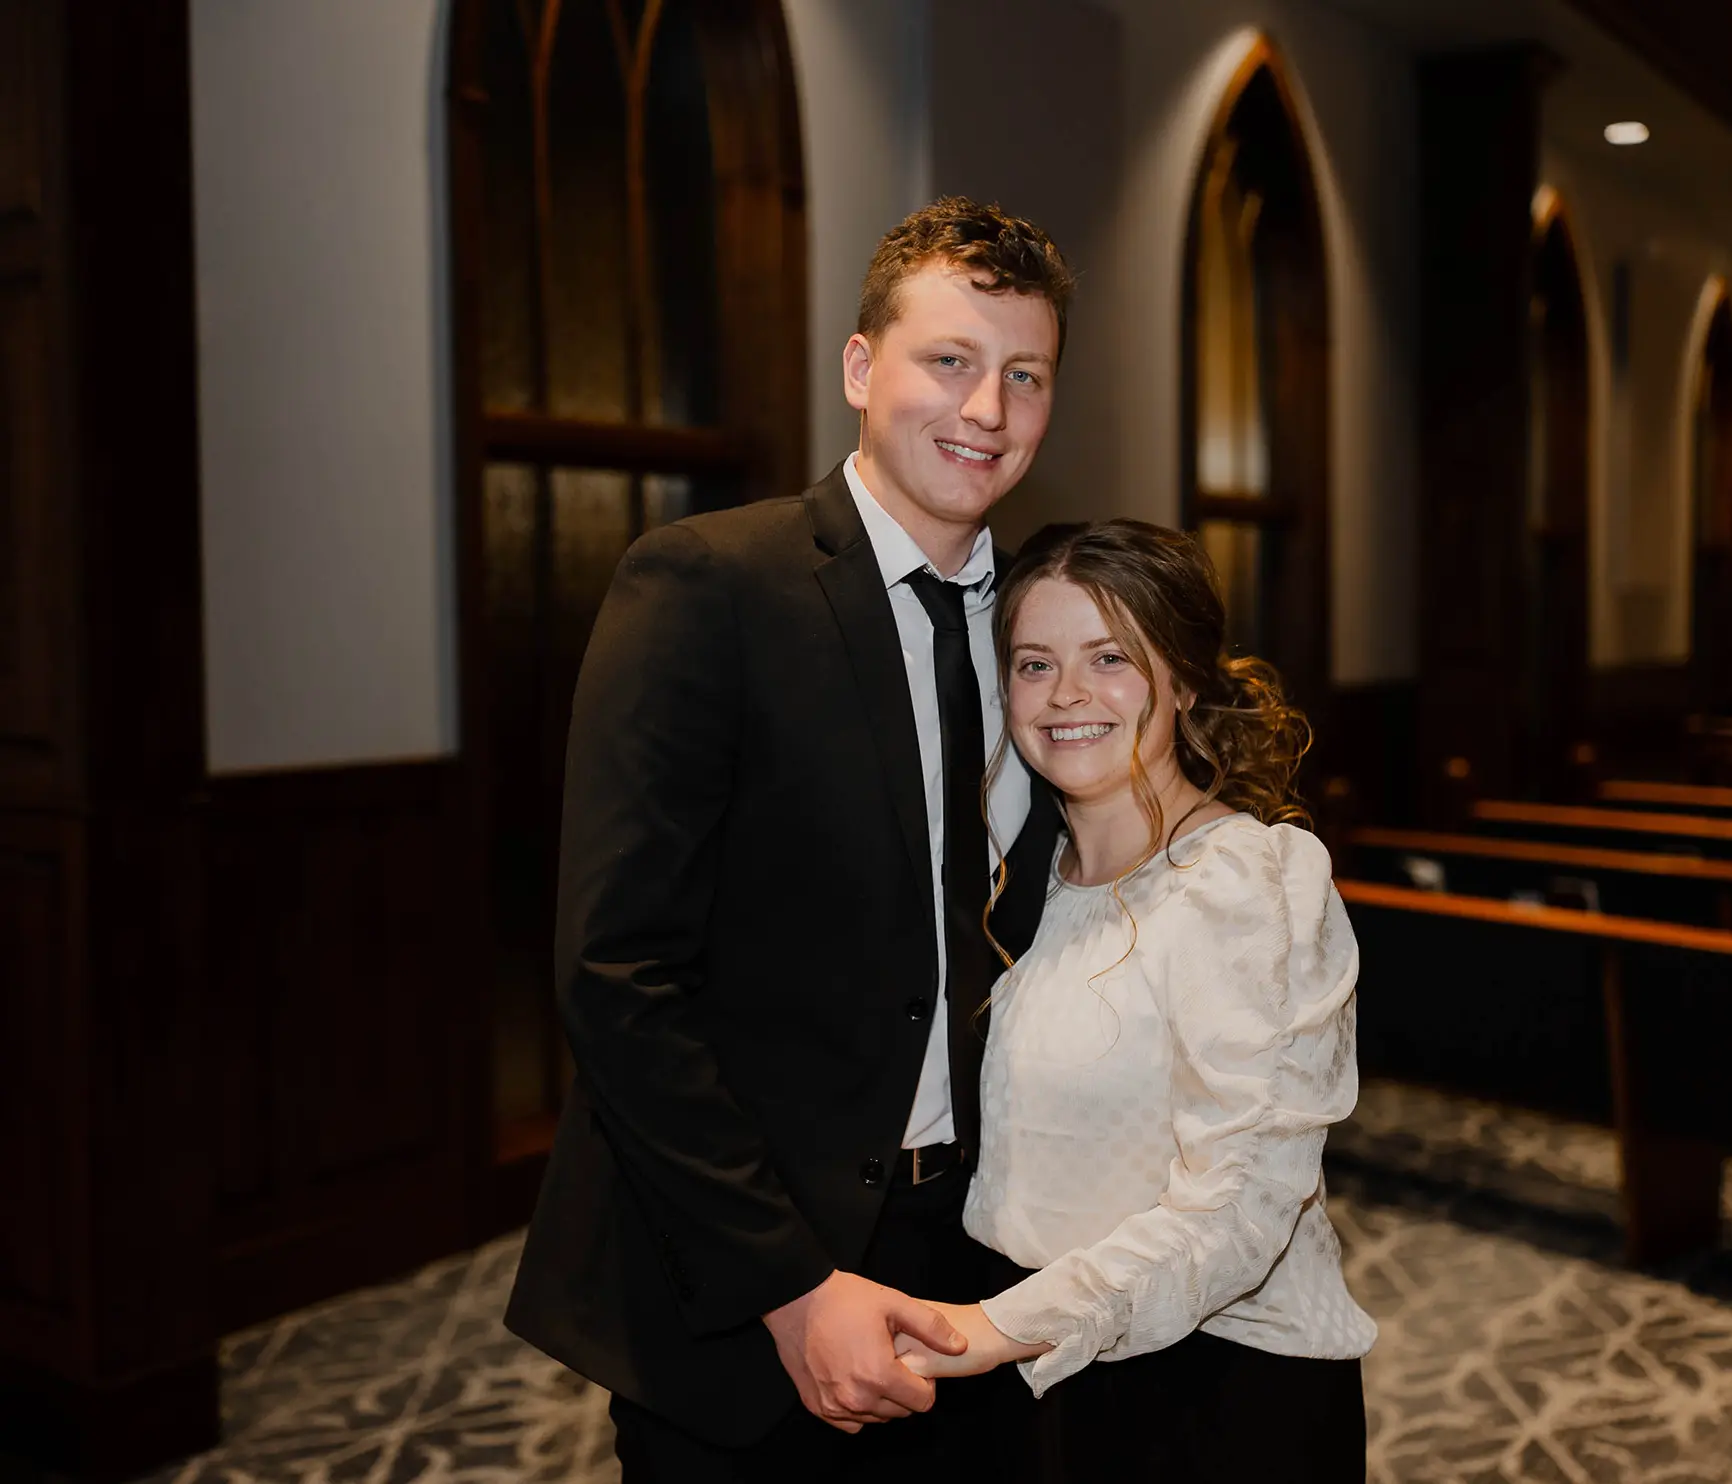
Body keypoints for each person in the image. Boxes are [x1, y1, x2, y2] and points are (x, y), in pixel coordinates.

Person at [502, 199, 1075, 1480]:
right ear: (862, 368)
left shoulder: (1050, 627)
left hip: (980, 1258)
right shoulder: (707, 585)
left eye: (1023, 374)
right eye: (950, 360)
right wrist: (790, 1282)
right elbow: (615, 971)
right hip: (746, 1263)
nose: (986, 407)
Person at [896, 519, 1378, 1479]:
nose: (1067, 694)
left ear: (1186, 681)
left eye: (1111, 657)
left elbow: (1238, 1208)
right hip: (1032, 1367)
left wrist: (995, 1327)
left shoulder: (1243, 885)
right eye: (1035, 664)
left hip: (1206, 1392)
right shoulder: (1026, 876)